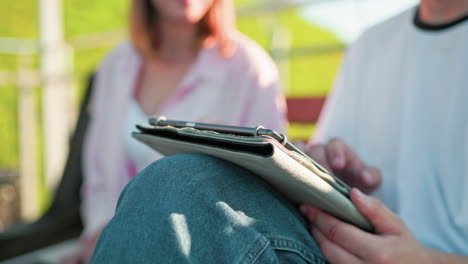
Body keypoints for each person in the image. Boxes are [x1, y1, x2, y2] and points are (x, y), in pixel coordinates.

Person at [90, 0, 468, 263]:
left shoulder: (245, 64)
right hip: (331, 244)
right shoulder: (371, 44)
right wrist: (326, 168)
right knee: (174, 185)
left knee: (178, 185)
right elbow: (326, 165)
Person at [71, 0, 287, 262]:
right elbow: (98, 174)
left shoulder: (250, 69)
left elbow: (266, 190)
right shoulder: (116, 65)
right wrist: (99, 236)